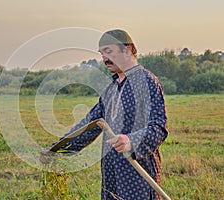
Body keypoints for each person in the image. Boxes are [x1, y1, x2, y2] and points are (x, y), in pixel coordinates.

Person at [43, 29, 168, 200]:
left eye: (108, 51)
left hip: (137, 173)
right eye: (102, 54)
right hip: (111, 173)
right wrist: (57, 150)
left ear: (128, 50)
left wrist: (131, 141)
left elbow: (159, 127)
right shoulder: (111, 88)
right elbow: (90, 124)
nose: (104, 59)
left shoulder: (146, 82)